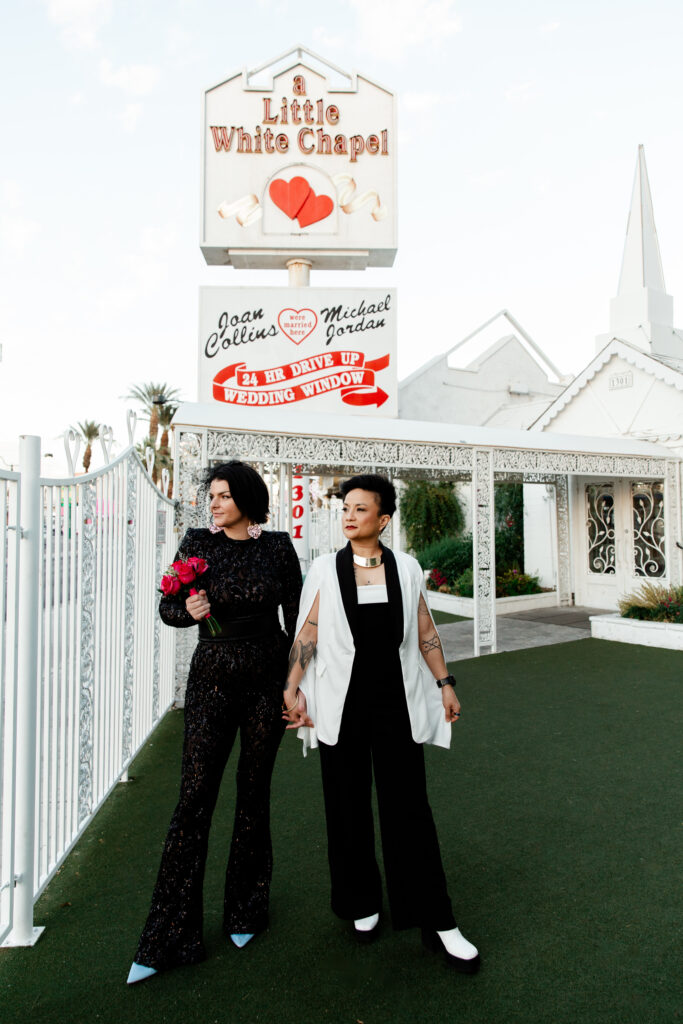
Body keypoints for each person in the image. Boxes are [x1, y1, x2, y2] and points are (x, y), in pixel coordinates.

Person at [282, 473, 480, 973]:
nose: (348, 516)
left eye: (360, 509)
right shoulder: (325, 569)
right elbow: (308, 630)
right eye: (345, 508)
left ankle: (438, 920)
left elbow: (425, 630)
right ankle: (361, 904)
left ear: (384, 519)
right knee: (345, 807)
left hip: (398, 704)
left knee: (410, 809)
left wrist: (445, 682)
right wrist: (292, 685)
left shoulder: (407, 568)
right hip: (341, 705)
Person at [127, 461, 302, 984]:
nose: (215, 503)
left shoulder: (277, 547)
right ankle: (168, 935)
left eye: (224, 495)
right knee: (194, 798)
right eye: (213, 496)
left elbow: (297, 618)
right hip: (212, 681)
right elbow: (168, 607)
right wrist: (191, 609)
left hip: (268, 678)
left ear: (247, 499)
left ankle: (246, 910)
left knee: (254, 793)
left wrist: (298, 684)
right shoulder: (196, 542)